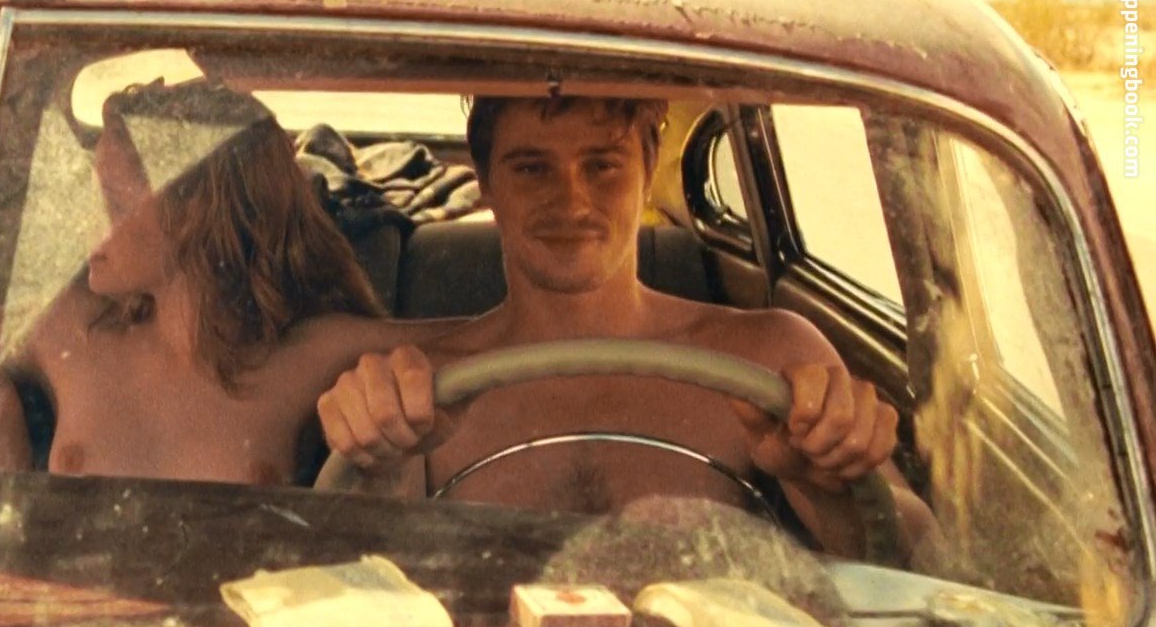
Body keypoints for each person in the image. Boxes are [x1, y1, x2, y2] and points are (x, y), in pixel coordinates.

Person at [314, 94, 937, 561]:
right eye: (532, 168)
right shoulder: (417, 386)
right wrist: (375, 461)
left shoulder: (774, 351)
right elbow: (349, 585)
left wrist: (829, 487)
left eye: (602, 165)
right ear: (486, 181)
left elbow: (923, 561)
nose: (571, 201)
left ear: (648, 166)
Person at [0, 80, 443, 486]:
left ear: (191, 214)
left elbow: (479, 344)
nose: (86, 221)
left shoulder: (307, 352)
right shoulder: (70, 328)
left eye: (111, 201)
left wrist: (399, 394)